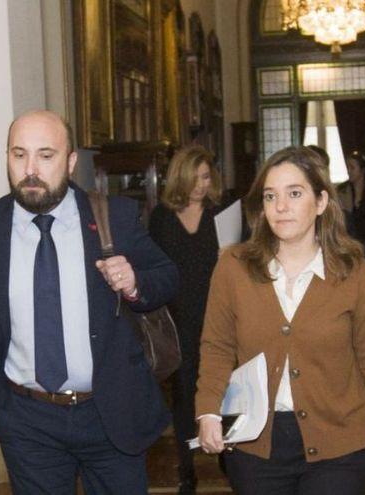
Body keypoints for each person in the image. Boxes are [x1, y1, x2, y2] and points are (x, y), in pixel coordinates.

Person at [0, 110, 178, 492]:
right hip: (27, 420)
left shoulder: (114, 217)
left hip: (110, 414)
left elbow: (168, 277)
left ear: (71, 161)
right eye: (18, 154)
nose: (30, 169)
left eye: (45, 155)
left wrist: (135, 283)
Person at [195, 146, 365, 494]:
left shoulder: (352, 271)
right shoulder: (234, 267)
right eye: (271, 196)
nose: (280, 206)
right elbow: (217, 347)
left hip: (338, 445)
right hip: (256, 444)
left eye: (294, 193)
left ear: (320, 202)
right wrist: (208, 411)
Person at [148, 145, 223, 495]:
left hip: (219, 316)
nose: (200, 186)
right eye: (194, 178)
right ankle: (186, 468)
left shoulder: (221, 212)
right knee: (182, 394)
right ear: (180, 177)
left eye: (206, 177)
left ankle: (228, 455)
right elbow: (151, 266)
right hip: (176, 319)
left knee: (225, 388)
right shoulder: (162, 217)